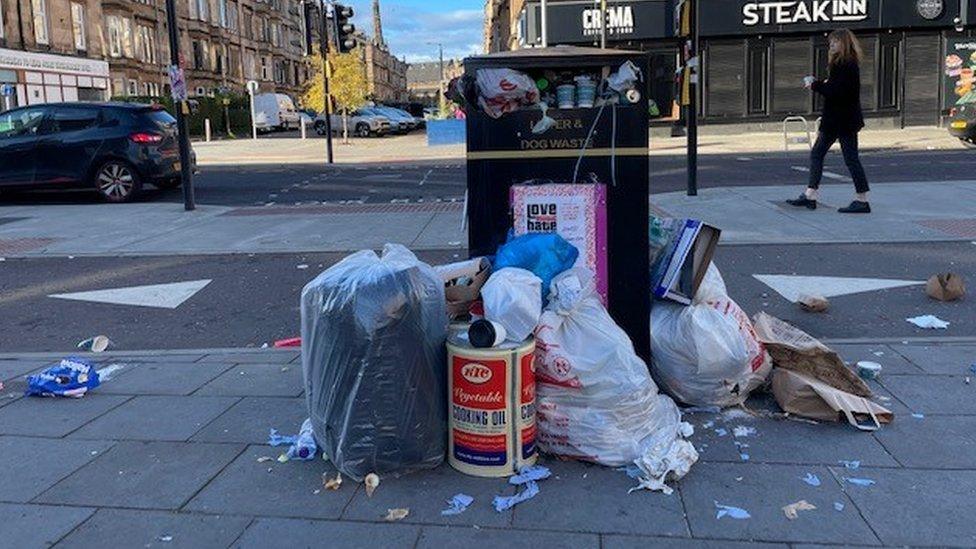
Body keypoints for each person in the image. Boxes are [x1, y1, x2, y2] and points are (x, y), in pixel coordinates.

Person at [787, 29, 871, 214]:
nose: (831, 45)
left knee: (846, 158)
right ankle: (811, 195)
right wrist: (824, 84)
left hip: (840, 120)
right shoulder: (847, 63)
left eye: (835, 42)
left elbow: (837, 93)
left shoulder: (844, 64)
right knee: (830, 155)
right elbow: (839, 89)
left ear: (844, 43)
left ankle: (861, 200)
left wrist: (815, 85)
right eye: (831, 42)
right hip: (841, 119)